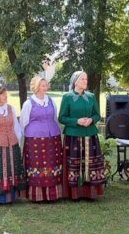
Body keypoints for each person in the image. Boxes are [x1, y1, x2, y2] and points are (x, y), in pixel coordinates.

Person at [58, 71, 106, 200]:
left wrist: (91, 120)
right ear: (75, 81)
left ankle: (90, 193)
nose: (86, 81)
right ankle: (74, 194)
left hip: (90, 135)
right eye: (83, 79)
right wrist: (76, 121)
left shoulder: (91, 96)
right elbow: (61, 118)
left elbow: (97, 115)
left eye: (86, 79)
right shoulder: (67, 97)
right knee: (74, 164)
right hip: (73, 137)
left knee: (90, 163)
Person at [21, 76, 63, 202]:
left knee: (52, 164)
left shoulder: (51, 101)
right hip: (35, 140)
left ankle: (52, 194)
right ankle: (37, 195)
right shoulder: (29, 103)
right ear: (36, 87)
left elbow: (55, 118)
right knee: (36, 165)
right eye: (42, 85)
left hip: (52, 139)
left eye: (46, 85)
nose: (45, 87)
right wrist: (26, 138)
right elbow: (23, 122)